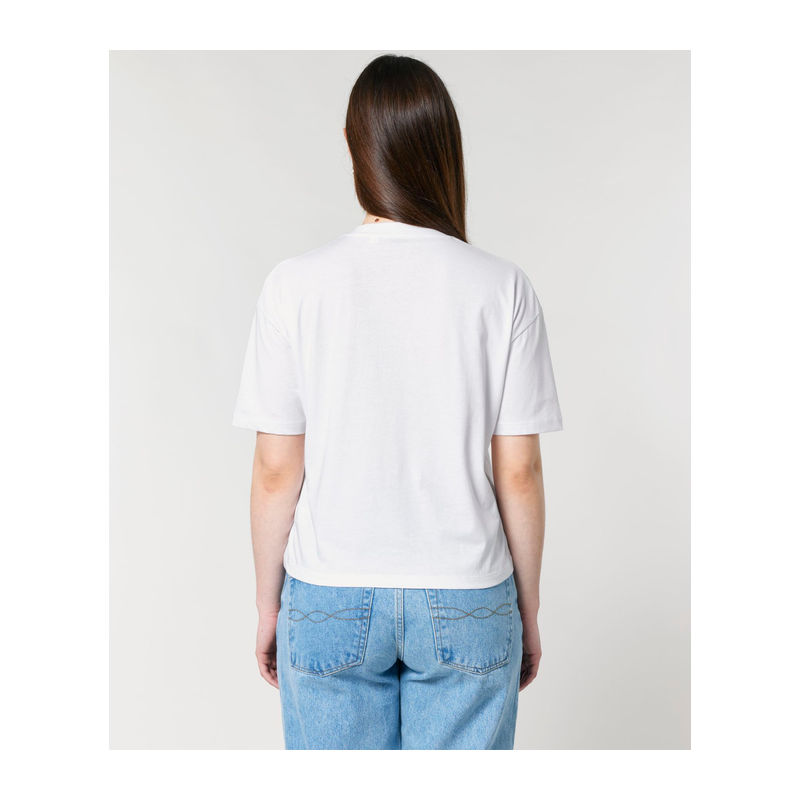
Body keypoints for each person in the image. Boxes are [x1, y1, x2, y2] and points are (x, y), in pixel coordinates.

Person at [232, 53, 563, 750]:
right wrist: (526, 610)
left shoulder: (294, 285)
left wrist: (269, 605)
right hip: (469, 593)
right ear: (444, 149)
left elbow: (275, 469)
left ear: (354, 148)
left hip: (328, 593)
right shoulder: (503, 287)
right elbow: (520, 470)